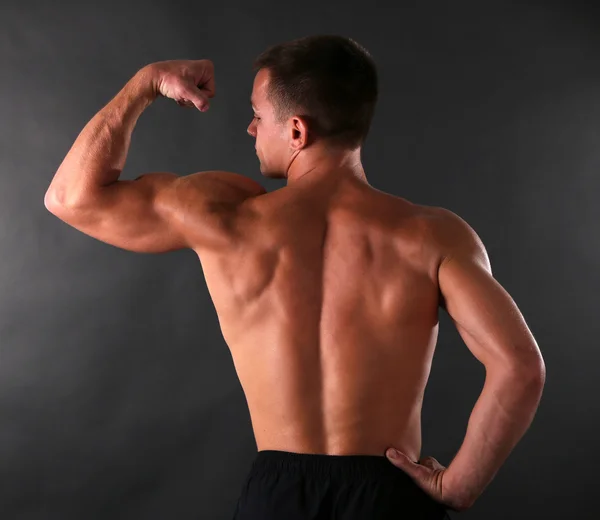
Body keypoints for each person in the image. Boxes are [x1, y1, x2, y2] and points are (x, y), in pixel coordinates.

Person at [44, 35, 546, 519]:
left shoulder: (227, 216)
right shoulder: (433, 236)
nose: (251, 129)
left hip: (279, 497)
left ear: (297, 131)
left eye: (258, 116)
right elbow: (520, 367)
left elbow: (70, 198)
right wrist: (458, 486)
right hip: (390, 496)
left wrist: (146, 83)